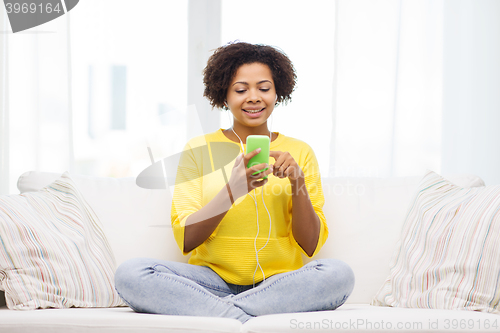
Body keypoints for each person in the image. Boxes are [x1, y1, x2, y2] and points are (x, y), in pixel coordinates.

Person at [114, 41, 355, 323]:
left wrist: (297, 182)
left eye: (264, 88)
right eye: (241, 90)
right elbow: (187, 239)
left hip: (277, 283)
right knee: (131, 274)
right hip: (210, 282)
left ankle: (220, 314)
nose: (253, 97)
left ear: (278, 92)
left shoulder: (300, 152)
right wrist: (233, 191)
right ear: (224, 95)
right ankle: (250, 315)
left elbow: (310, 245)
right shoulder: (198, 149)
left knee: (339, 275)